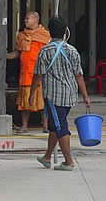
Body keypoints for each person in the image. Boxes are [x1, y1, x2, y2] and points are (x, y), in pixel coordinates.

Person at [29, 17, 91, 171]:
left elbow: (38, 75)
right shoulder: (72, 50)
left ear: (49, 32)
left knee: (60, 126)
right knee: (54, 126)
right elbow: (79, 75)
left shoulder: (45, 50)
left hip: (53, 96)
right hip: (69, 96)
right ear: (65, 31)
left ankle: (68, 161)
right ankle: (48, 157)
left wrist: (31, 94)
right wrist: (85, 95)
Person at [7, 12, 50, 133]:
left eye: (27, 19)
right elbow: (17, 53)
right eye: (25, 19)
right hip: (26, 74)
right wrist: (3, 56)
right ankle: (24, 126)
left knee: (42, 102)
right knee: (24, 104)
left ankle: (45, 126)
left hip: (41, 74)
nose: (25, 21)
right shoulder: (21, 36)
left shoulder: (45, 35)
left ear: (35, 19)